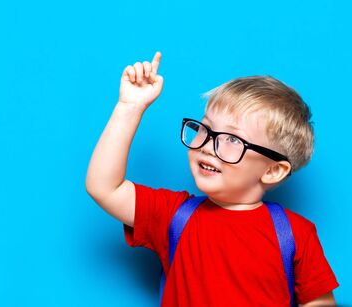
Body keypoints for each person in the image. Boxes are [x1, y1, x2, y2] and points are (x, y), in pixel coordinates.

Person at [85, 51, 339, 306]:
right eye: (205, 128)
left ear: (272, 170)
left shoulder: (295, 234)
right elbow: (104, 188)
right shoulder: (173, 215)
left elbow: (320, 301)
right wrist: (129, 108)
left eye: (232, 139)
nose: (206, 145)